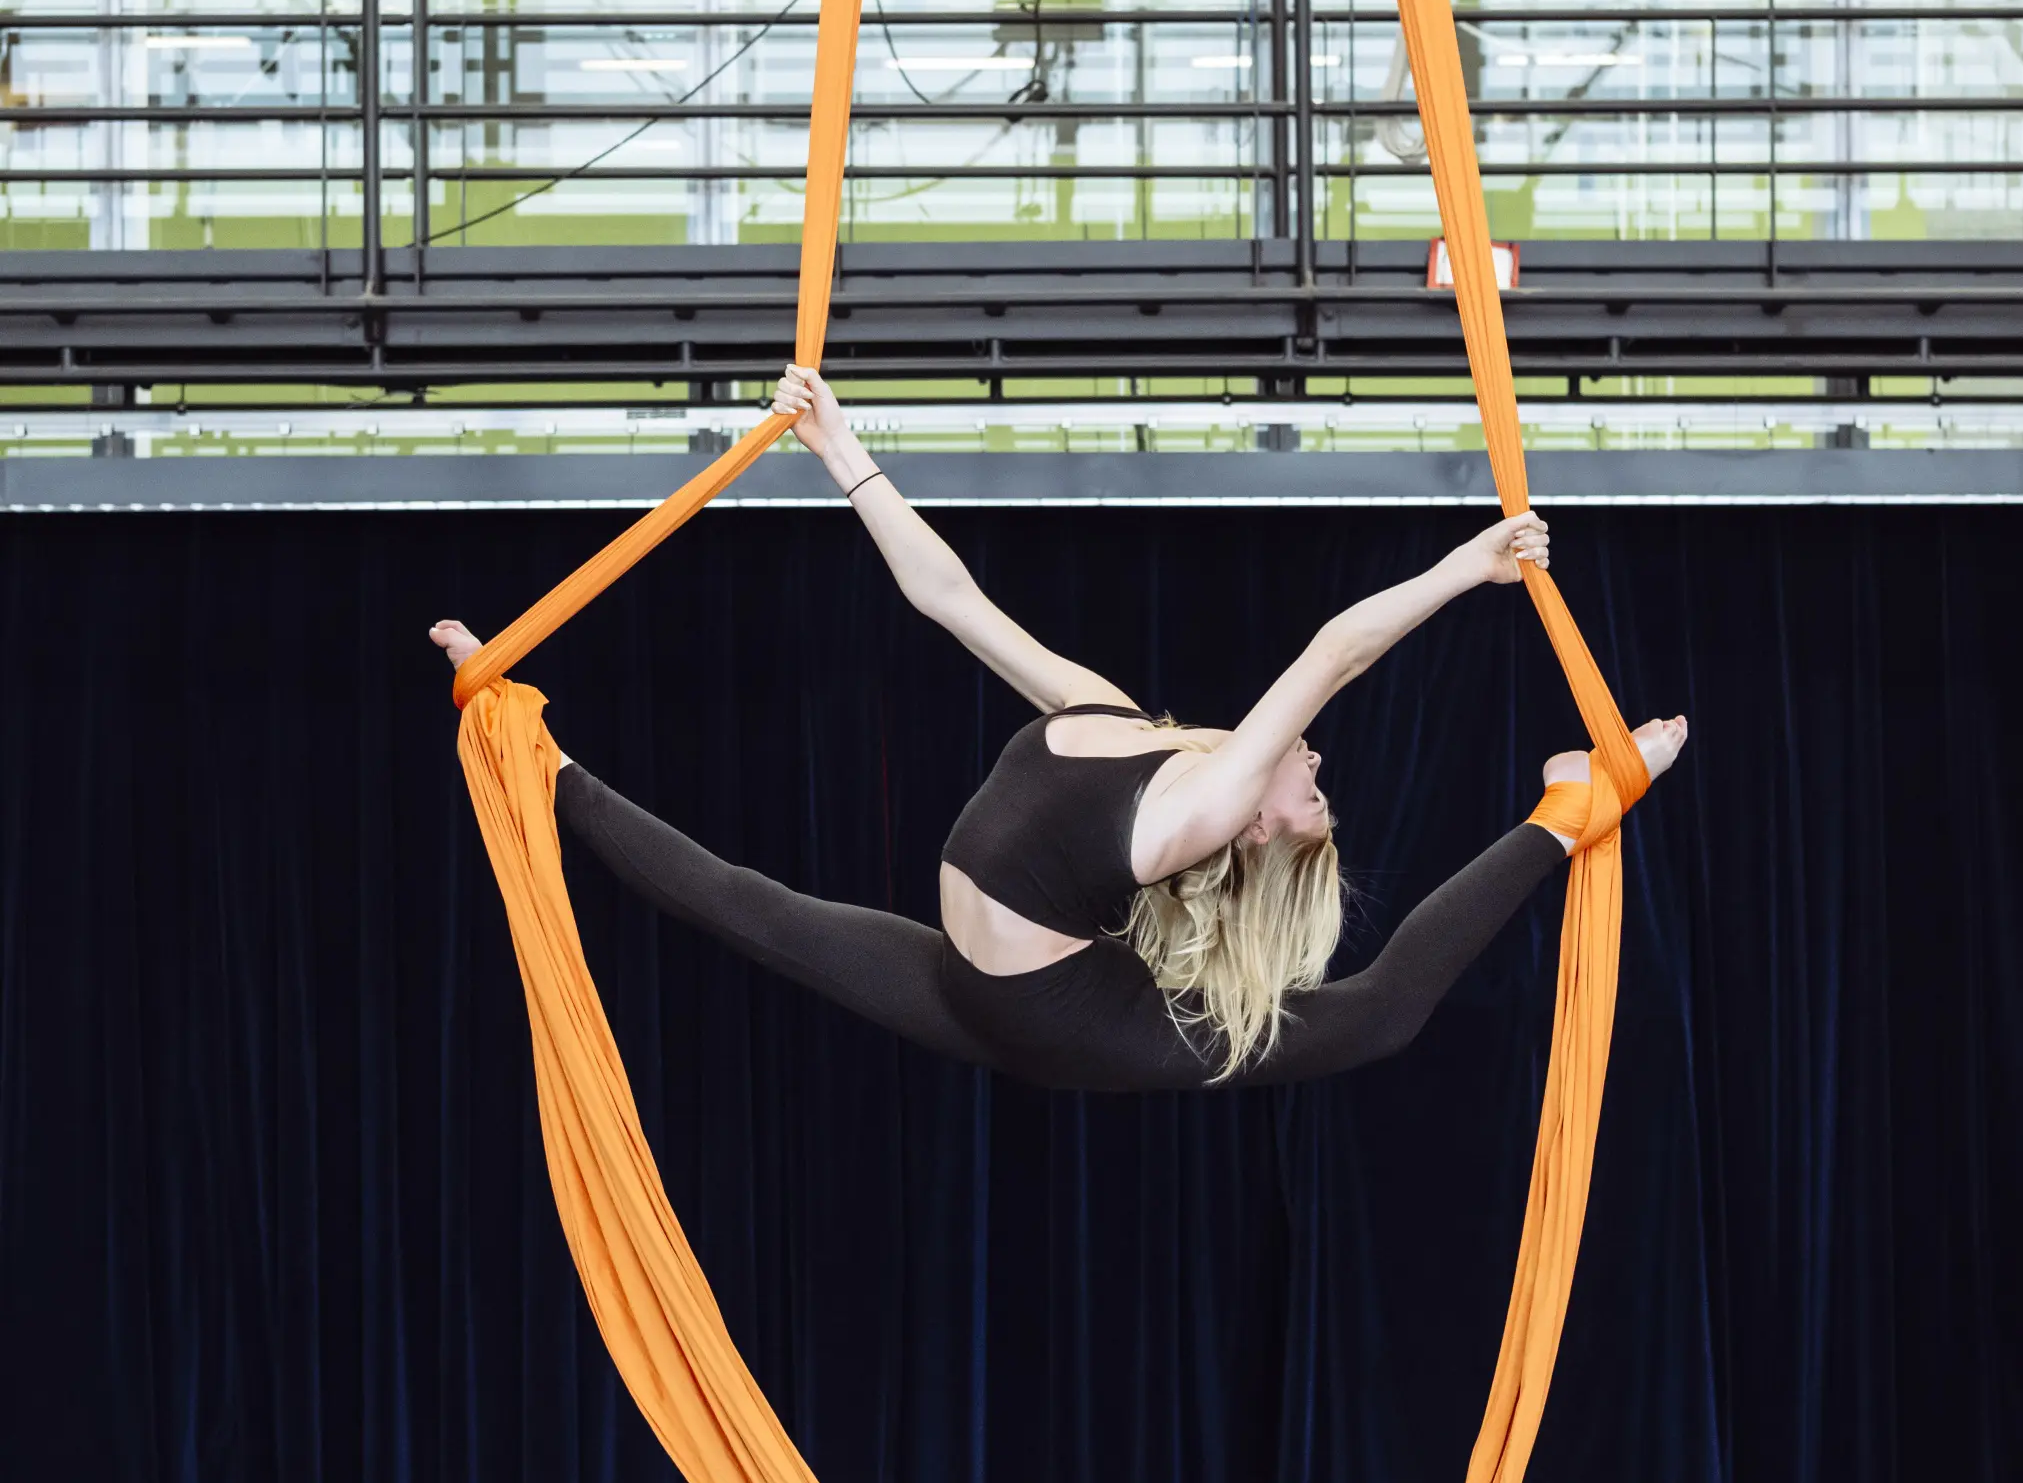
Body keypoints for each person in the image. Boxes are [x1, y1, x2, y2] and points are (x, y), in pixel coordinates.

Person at [430, 365, 1685, 1092]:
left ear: (1254, 825)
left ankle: (1568, 810)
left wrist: (1469, 566)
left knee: (1379, 1011)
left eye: (1308, 793)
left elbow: (1331, 655)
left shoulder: (1194, 810)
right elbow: (950, 599)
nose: (1313, 766)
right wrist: (840, 449)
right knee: (743, 902)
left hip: (1062, 1026)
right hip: (996, 987)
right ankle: (531, 749)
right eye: (1313, 776)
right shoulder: (1107, 716)